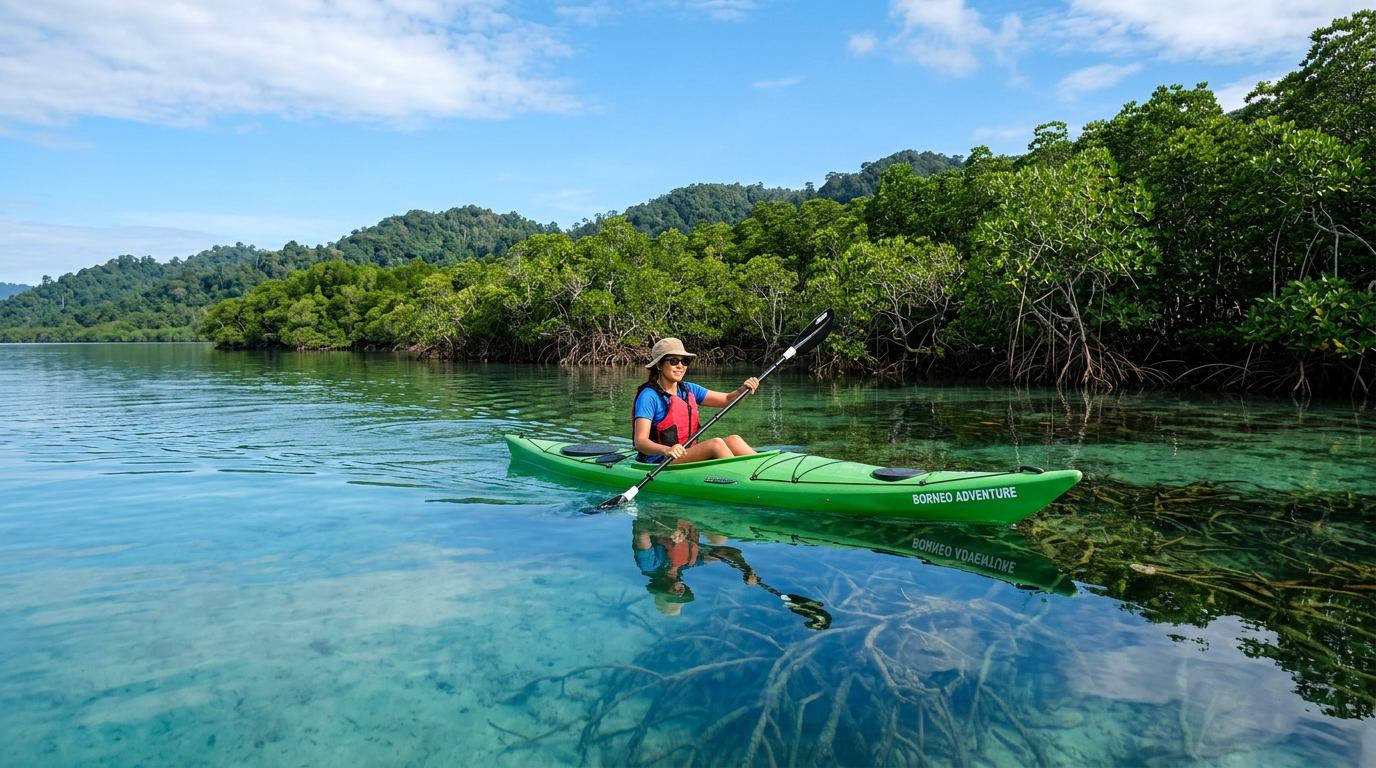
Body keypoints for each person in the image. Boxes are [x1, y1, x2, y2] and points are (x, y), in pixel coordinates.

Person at [632, 337, 759, 464]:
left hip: (687, 454)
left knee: (734, 440)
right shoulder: (648, 396)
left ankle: (763, 470)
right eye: (674, 361)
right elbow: (640, 441)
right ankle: (743, 479)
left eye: (685, 361)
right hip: (660, 460)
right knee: (715, 444)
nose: (680, 366)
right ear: (659, 365)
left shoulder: (689, 389)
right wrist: (667, 450)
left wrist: (744, 389)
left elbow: (729, 399)